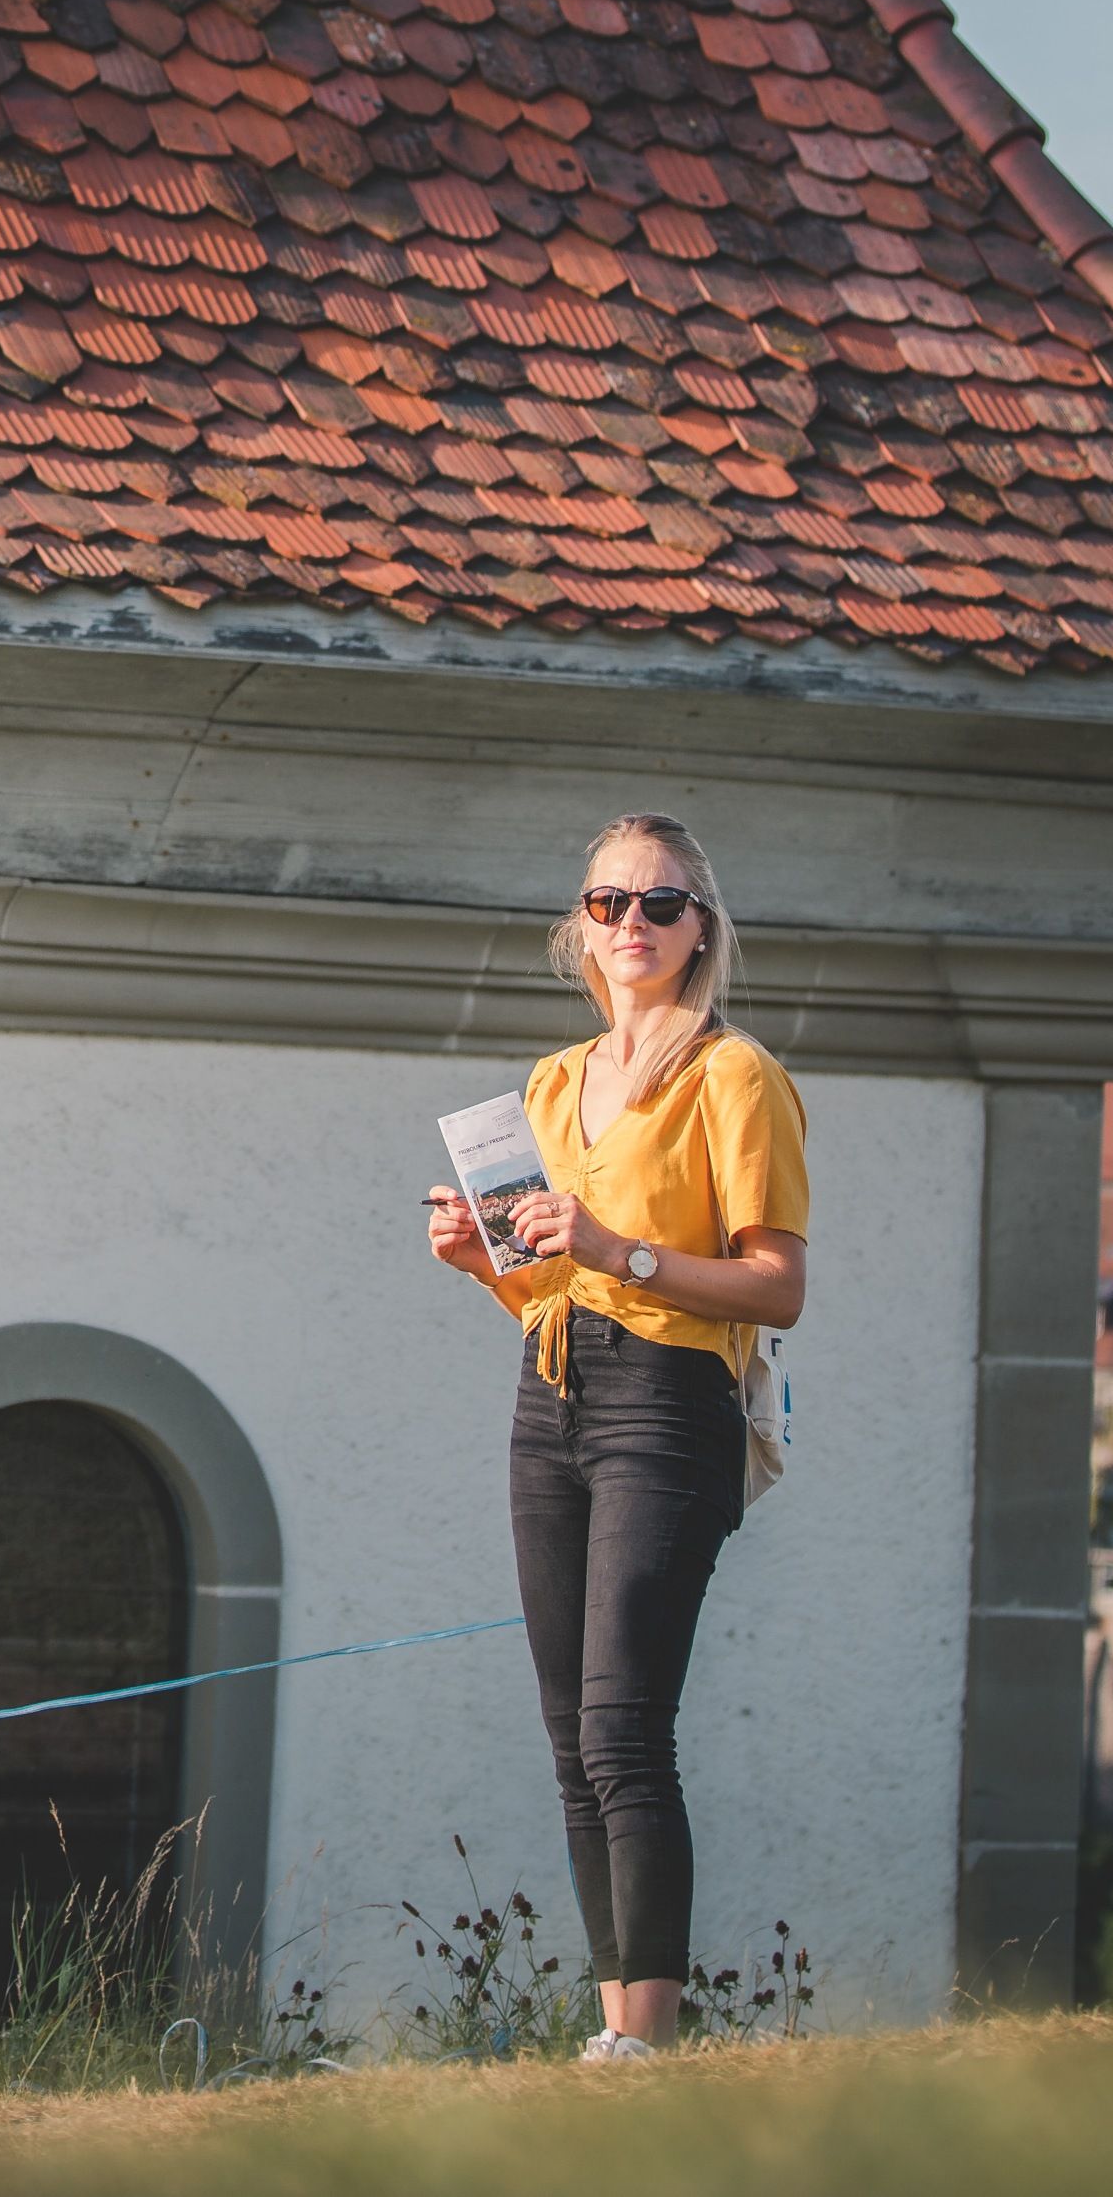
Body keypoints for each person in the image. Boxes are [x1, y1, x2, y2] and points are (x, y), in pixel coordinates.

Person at [422, 812, 808, 2066]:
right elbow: (548, 1287)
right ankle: (609, 2030)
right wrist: (482, 1263)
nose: (627, 926)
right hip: (553, 1393)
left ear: (700, 931)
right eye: (604, 904)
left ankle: (645, 2038)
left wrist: (617, 1249)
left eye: (656, 904)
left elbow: (774, 1286)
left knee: (623, 1728)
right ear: (576, 930)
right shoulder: (548, 1083)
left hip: (669, 1398)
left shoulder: (732, 1076)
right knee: (565, 1733)